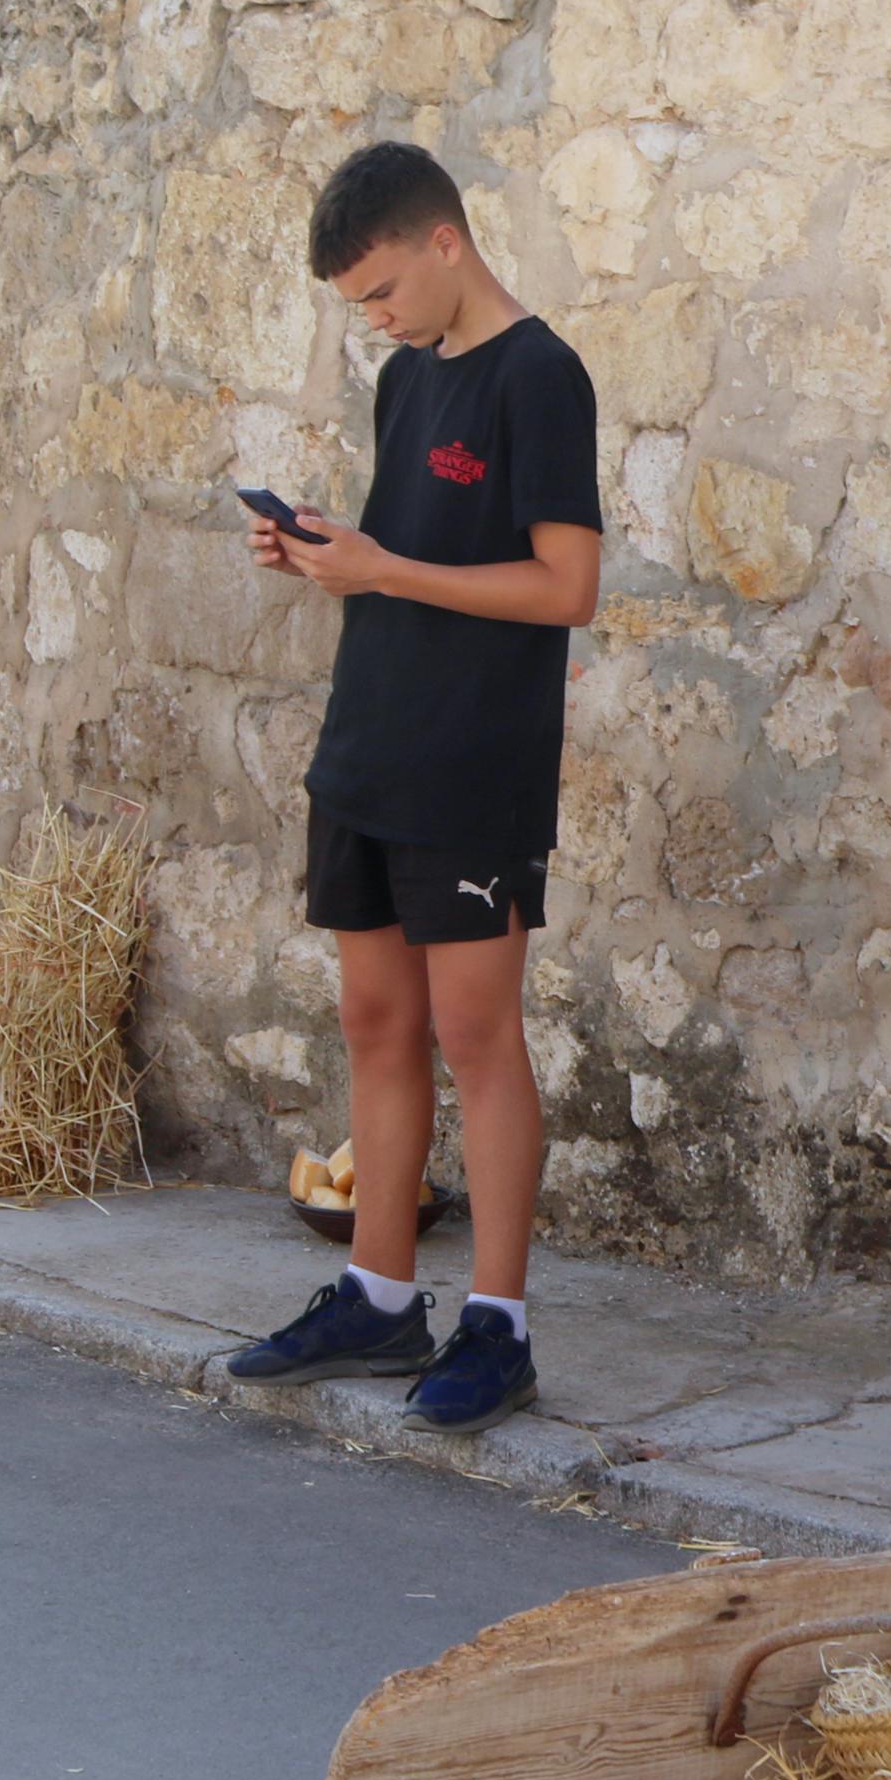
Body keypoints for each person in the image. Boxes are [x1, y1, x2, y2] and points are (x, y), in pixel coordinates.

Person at [221, 142, 602, 1433]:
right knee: (377, 1031)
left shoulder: (542, 377)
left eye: (381, 290)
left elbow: (566, 588)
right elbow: (410, 554)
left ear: (447, 242)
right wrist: (328, 555)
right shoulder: (403, 381)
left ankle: (500, 1326)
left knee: (476, 1040)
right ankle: (380, 1294)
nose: (373, 318)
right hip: (368, 750)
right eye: (357, 304)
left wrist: (381, 569)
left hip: (473, 769)